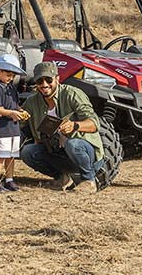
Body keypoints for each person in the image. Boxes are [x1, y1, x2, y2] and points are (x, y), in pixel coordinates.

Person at [19, 61, 104, 194]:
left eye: (48, 80)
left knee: (73, 144)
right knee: (27, 152)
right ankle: (62, 178)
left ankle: (89, 181)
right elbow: (19, 121)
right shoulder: (32, 102)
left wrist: (74, 126)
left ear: (57, 79)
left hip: (85, 153)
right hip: (58, 153)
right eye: (40, 81)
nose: (44, 85)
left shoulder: (72, 94)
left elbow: (94, 123)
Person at [0, 54, 28, 193]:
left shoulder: (11, 88)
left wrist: (21, 111)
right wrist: (10, 113)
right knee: (0, 155)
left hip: (13, 127)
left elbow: (15, 104)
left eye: (13, 75)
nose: (10, 78)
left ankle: (9, 180)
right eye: (8, 74)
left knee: (11, 155)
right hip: (1, 127)